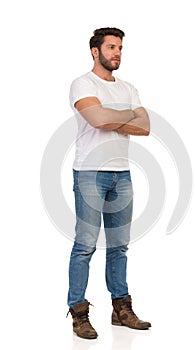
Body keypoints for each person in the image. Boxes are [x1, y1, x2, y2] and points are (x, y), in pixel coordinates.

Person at [67, 27, 151, 339]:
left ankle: (121, 309)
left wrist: (111, 114)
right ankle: (78, 312)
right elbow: (98, 121)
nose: (117, 53)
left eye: (120, 48)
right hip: (89, 172)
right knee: (85, 245)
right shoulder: (82, 84)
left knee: (120, 246)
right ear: (95, 51)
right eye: (111, 47)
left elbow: (145, 127)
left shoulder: (128, 86)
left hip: (122, 174)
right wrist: (126, 116)